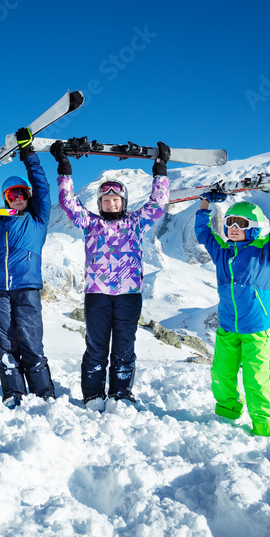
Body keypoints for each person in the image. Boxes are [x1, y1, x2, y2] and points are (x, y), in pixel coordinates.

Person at [50, 140, 170, 411]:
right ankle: (92, 395)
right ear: (100, 203)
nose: (111, 203)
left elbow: (158, 203)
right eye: (106, 200)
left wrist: (160, 170)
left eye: (116, 200)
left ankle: (121, 394)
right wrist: (64, 168)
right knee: (96, 348)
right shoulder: (90, 223)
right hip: (98, 296)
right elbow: (68, 202)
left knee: (124, 348)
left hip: (129, 296)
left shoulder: (136, 222)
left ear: (123, 202)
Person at [194, 174, 270, 440]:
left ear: (253, 226)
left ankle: (267, 430)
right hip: (228, 326)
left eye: (240, 223)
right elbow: (202, 232)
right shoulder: (222, 251)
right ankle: (227, 416)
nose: (232, 227)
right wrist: (204, 204)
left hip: (255, 328)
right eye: (230, 222)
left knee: (256, 380)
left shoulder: (262, 250)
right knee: (221, 374)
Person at [0, 128, 56, 408]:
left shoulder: (38, 217)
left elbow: (42, 186)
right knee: (6, 344)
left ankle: (43, 392)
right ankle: (13, 393)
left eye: (21, 193)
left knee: (31, 341)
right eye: (11, 194)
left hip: (27, 286)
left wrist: (28, 154)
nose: (16, 197)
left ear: (27, 195)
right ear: (5, 198)